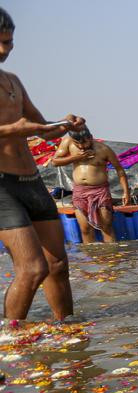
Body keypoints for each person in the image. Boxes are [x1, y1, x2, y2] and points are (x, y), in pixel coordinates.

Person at [0, 8, 85, 321]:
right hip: (2, 187)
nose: (4, 50)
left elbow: (42, 126)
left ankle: (68, 329)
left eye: (8, 43)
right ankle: (11, 338)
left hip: (31, 182)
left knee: (57, 265)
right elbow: (22, 128)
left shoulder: (13, 82)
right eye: (0, 43)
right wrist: (15, 130)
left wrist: (67, 124)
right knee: (33, 268)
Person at [52, 126, 130, 244]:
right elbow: (55, 162)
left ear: (91, 137)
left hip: (100, 191)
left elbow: (120, 170)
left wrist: (126, 192)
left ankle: (113, 258)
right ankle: (91, 260)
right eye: (77, 143)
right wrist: (76, 157)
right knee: (85, 228)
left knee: (106, 227)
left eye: (84, 143)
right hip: (80, 191)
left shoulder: (104, 149)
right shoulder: (68, 142)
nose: (81, 146)